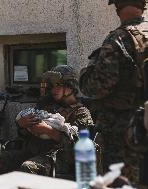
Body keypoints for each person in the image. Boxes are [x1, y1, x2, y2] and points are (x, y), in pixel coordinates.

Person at [79, 0, 148, 187]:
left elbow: (96, 87)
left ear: (118, 7)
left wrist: (85, 73)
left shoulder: (118, 39)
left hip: (124, 132)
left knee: (122, 183)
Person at [0, 65, 94, 178]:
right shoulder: (46, 104)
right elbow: (26, 134)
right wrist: (22, 125)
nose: (54, 90)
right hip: (33, 151)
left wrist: (49, 131)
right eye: (52, 86)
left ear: (71, 86)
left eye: (59, 85)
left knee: (28, 167)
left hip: (58, 158)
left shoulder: (81, 113)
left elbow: (79, 147)